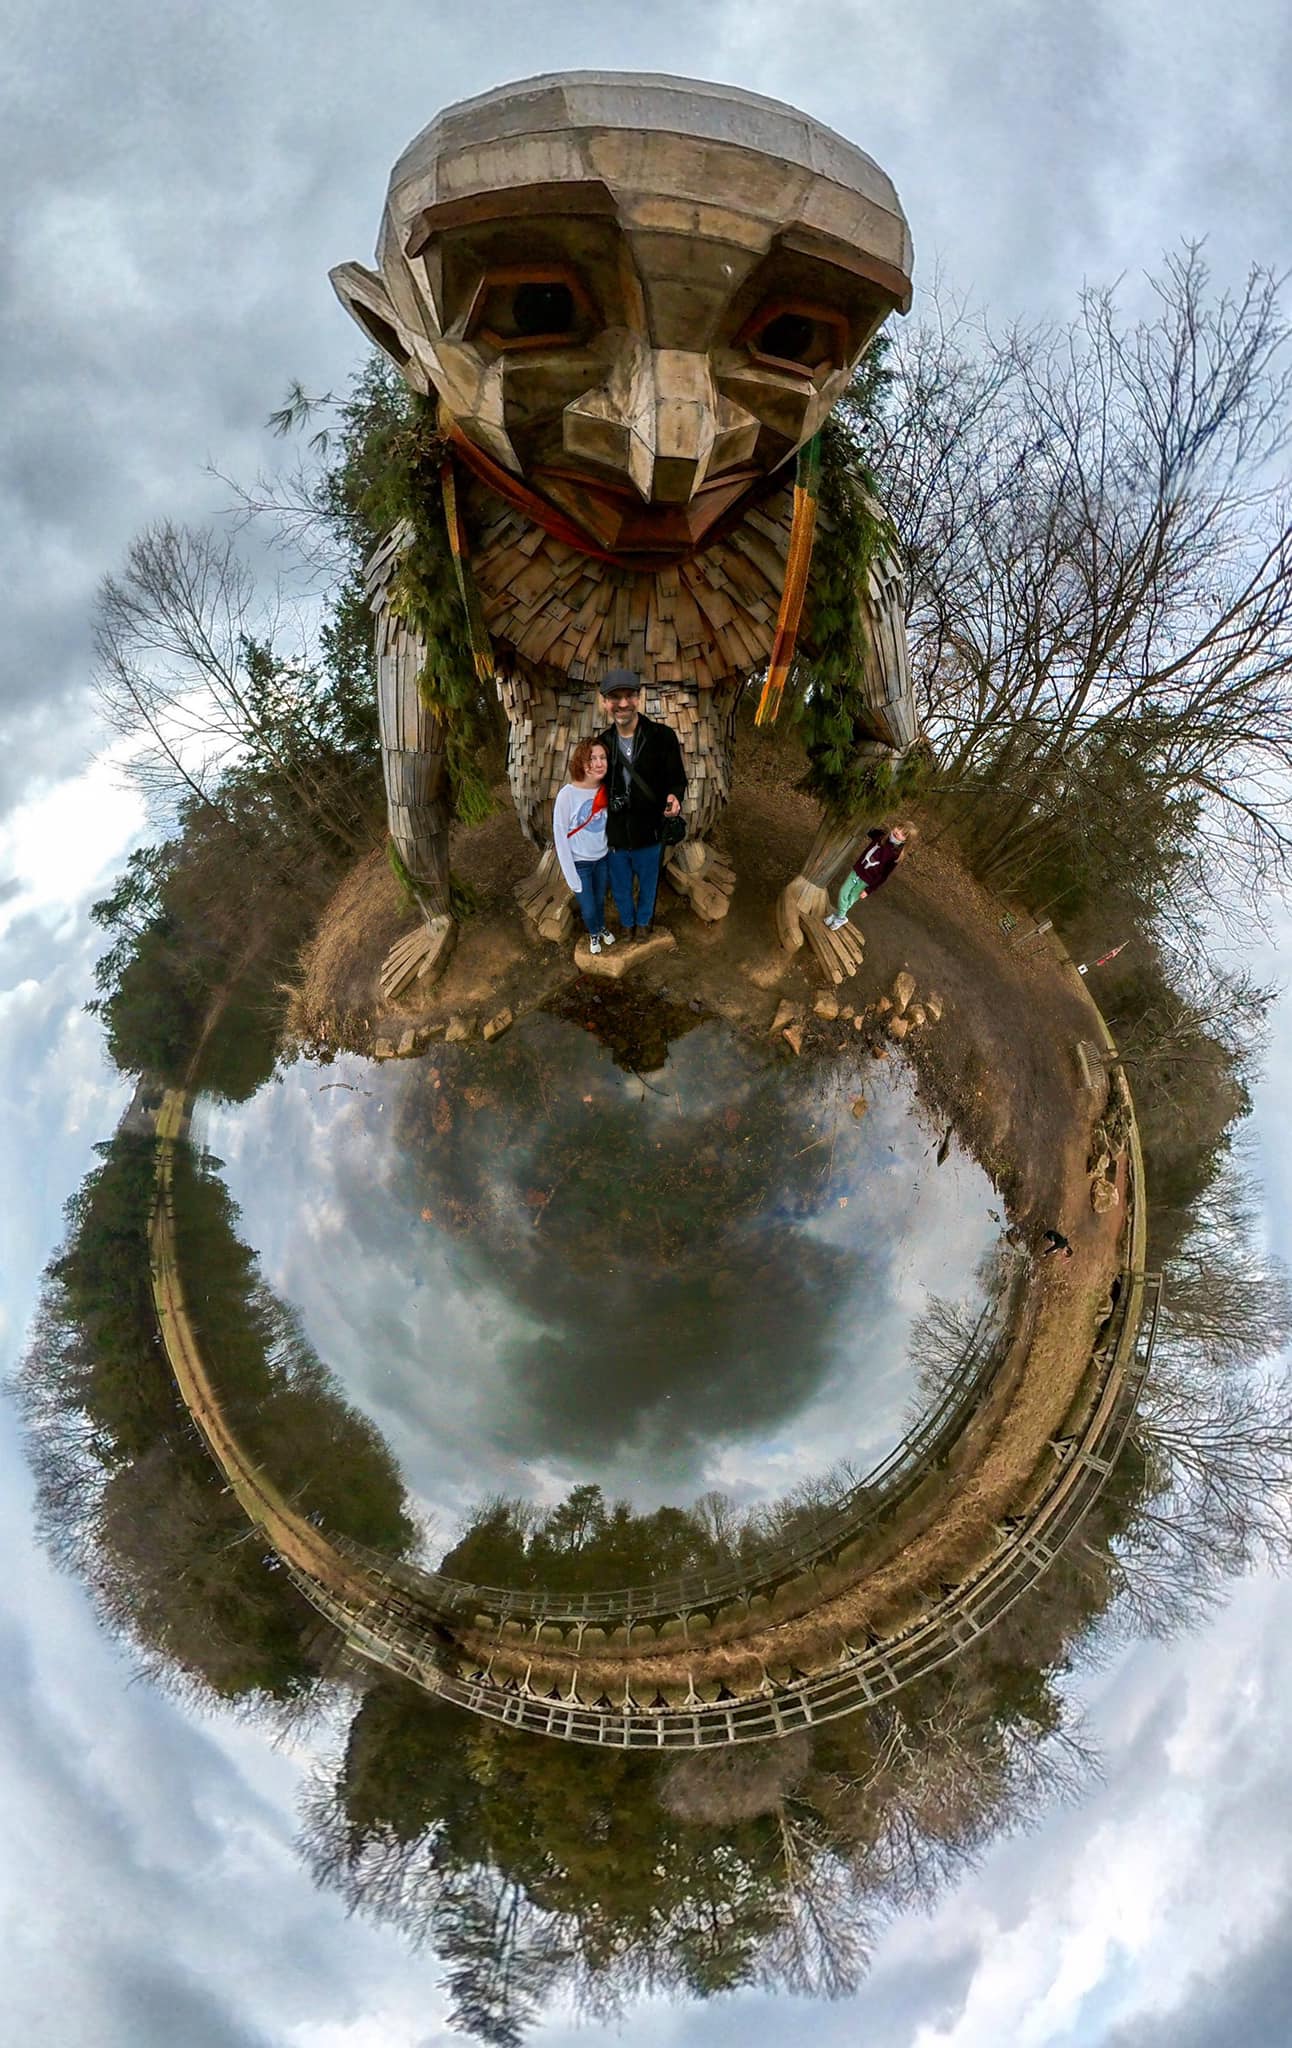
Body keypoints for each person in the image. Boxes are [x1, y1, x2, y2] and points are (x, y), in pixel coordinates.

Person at [596, 669, 687, 940]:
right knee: (621, 885)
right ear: (604, 702)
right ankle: (627, 923)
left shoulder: (662, 737)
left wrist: (674, 796)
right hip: (615, 832)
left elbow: (677, 778)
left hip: (650, 829)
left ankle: (645, 923)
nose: (623, 703)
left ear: (640, 697)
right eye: (615, 697)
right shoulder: (602, 745)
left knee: (649, 883)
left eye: (629, 695)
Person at [552, 740, 617, 955]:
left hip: (603, 859)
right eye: (592, 758)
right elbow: (560, 838)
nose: (599, 763)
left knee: (599, 900)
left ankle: (601, 928)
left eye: (603, 758)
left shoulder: (605, 790)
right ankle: (593, 932)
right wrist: (570, 875)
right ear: (581, 763)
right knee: (588, 907)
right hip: (580, 864)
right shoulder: (567, 795)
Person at [824, 822, 914, 930]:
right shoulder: (881, 835)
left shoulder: (896, 855)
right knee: (843, 892)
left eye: (903, 834)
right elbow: (866, 829)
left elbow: (884, 876)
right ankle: (841, 917)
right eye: (899, 828)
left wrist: (868, 890)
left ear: (905, 841)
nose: (898, 832)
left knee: (850, 899)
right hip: (857, 871)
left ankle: (838, 916)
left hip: (867, 881)